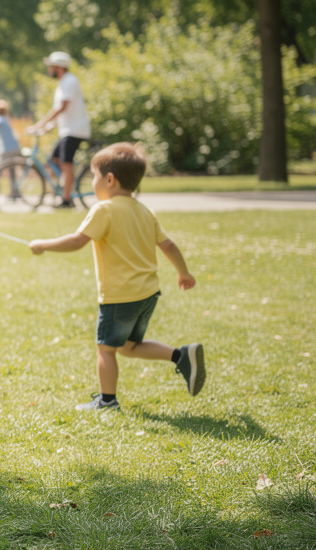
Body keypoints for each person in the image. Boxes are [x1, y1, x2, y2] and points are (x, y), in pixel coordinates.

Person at [28, 142, 205, 411]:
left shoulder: (104, 209)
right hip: (147, 293)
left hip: (119, 295)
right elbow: (167, 245)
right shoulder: (145, 211)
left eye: (94, 176)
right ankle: (181, 356)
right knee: (129, 347)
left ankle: (107, 401)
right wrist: (183, 272)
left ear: (109, 179)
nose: (93, 182)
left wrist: (43, 245)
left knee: (106, 349)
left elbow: (78, 241)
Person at [31, 51, 91, 209]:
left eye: (51, 66)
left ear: (59, 67)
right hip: (66, 130)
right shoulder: (63, 82)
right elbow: (64, 111)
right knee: (53, 160)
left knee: (66, 163)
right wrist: (49, 127)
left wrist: (40, 124)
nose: (49, 69)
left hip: (75, 130)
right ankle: (62, 190)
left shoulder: (70, 81)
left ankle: (66, 199)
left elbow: (61, 108)